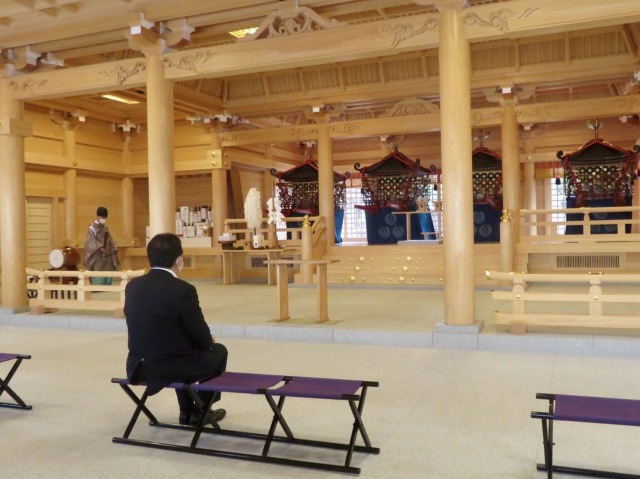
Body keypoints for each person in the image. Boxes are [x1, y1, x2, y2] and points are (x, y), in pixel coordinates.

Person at [124, 233, 227, 425]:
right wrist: (208, 341)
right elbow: (199, 332)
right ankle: (200, 411)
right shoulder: (182, 290)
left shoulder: (133, 286)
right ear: (179, 260)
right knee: (218, 351)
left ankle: (186, 411)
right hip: (167, 368)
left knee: (182, 351)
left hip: (138, 367)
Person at [84, 206, 120, 285]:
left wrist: (113, 247)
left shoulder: (105, 228)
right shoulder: (92, 228)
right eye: (102, 218)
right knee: (98, 275)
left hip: (107, 256)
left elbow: (110, 240)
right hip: (97, 257)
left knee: (108, 274)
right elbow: (90, 241)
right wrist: (100, 247)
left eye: (105, 218)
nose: (104, 220)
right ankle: (97, 288)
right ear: (97, 216)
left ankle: (107, 288)